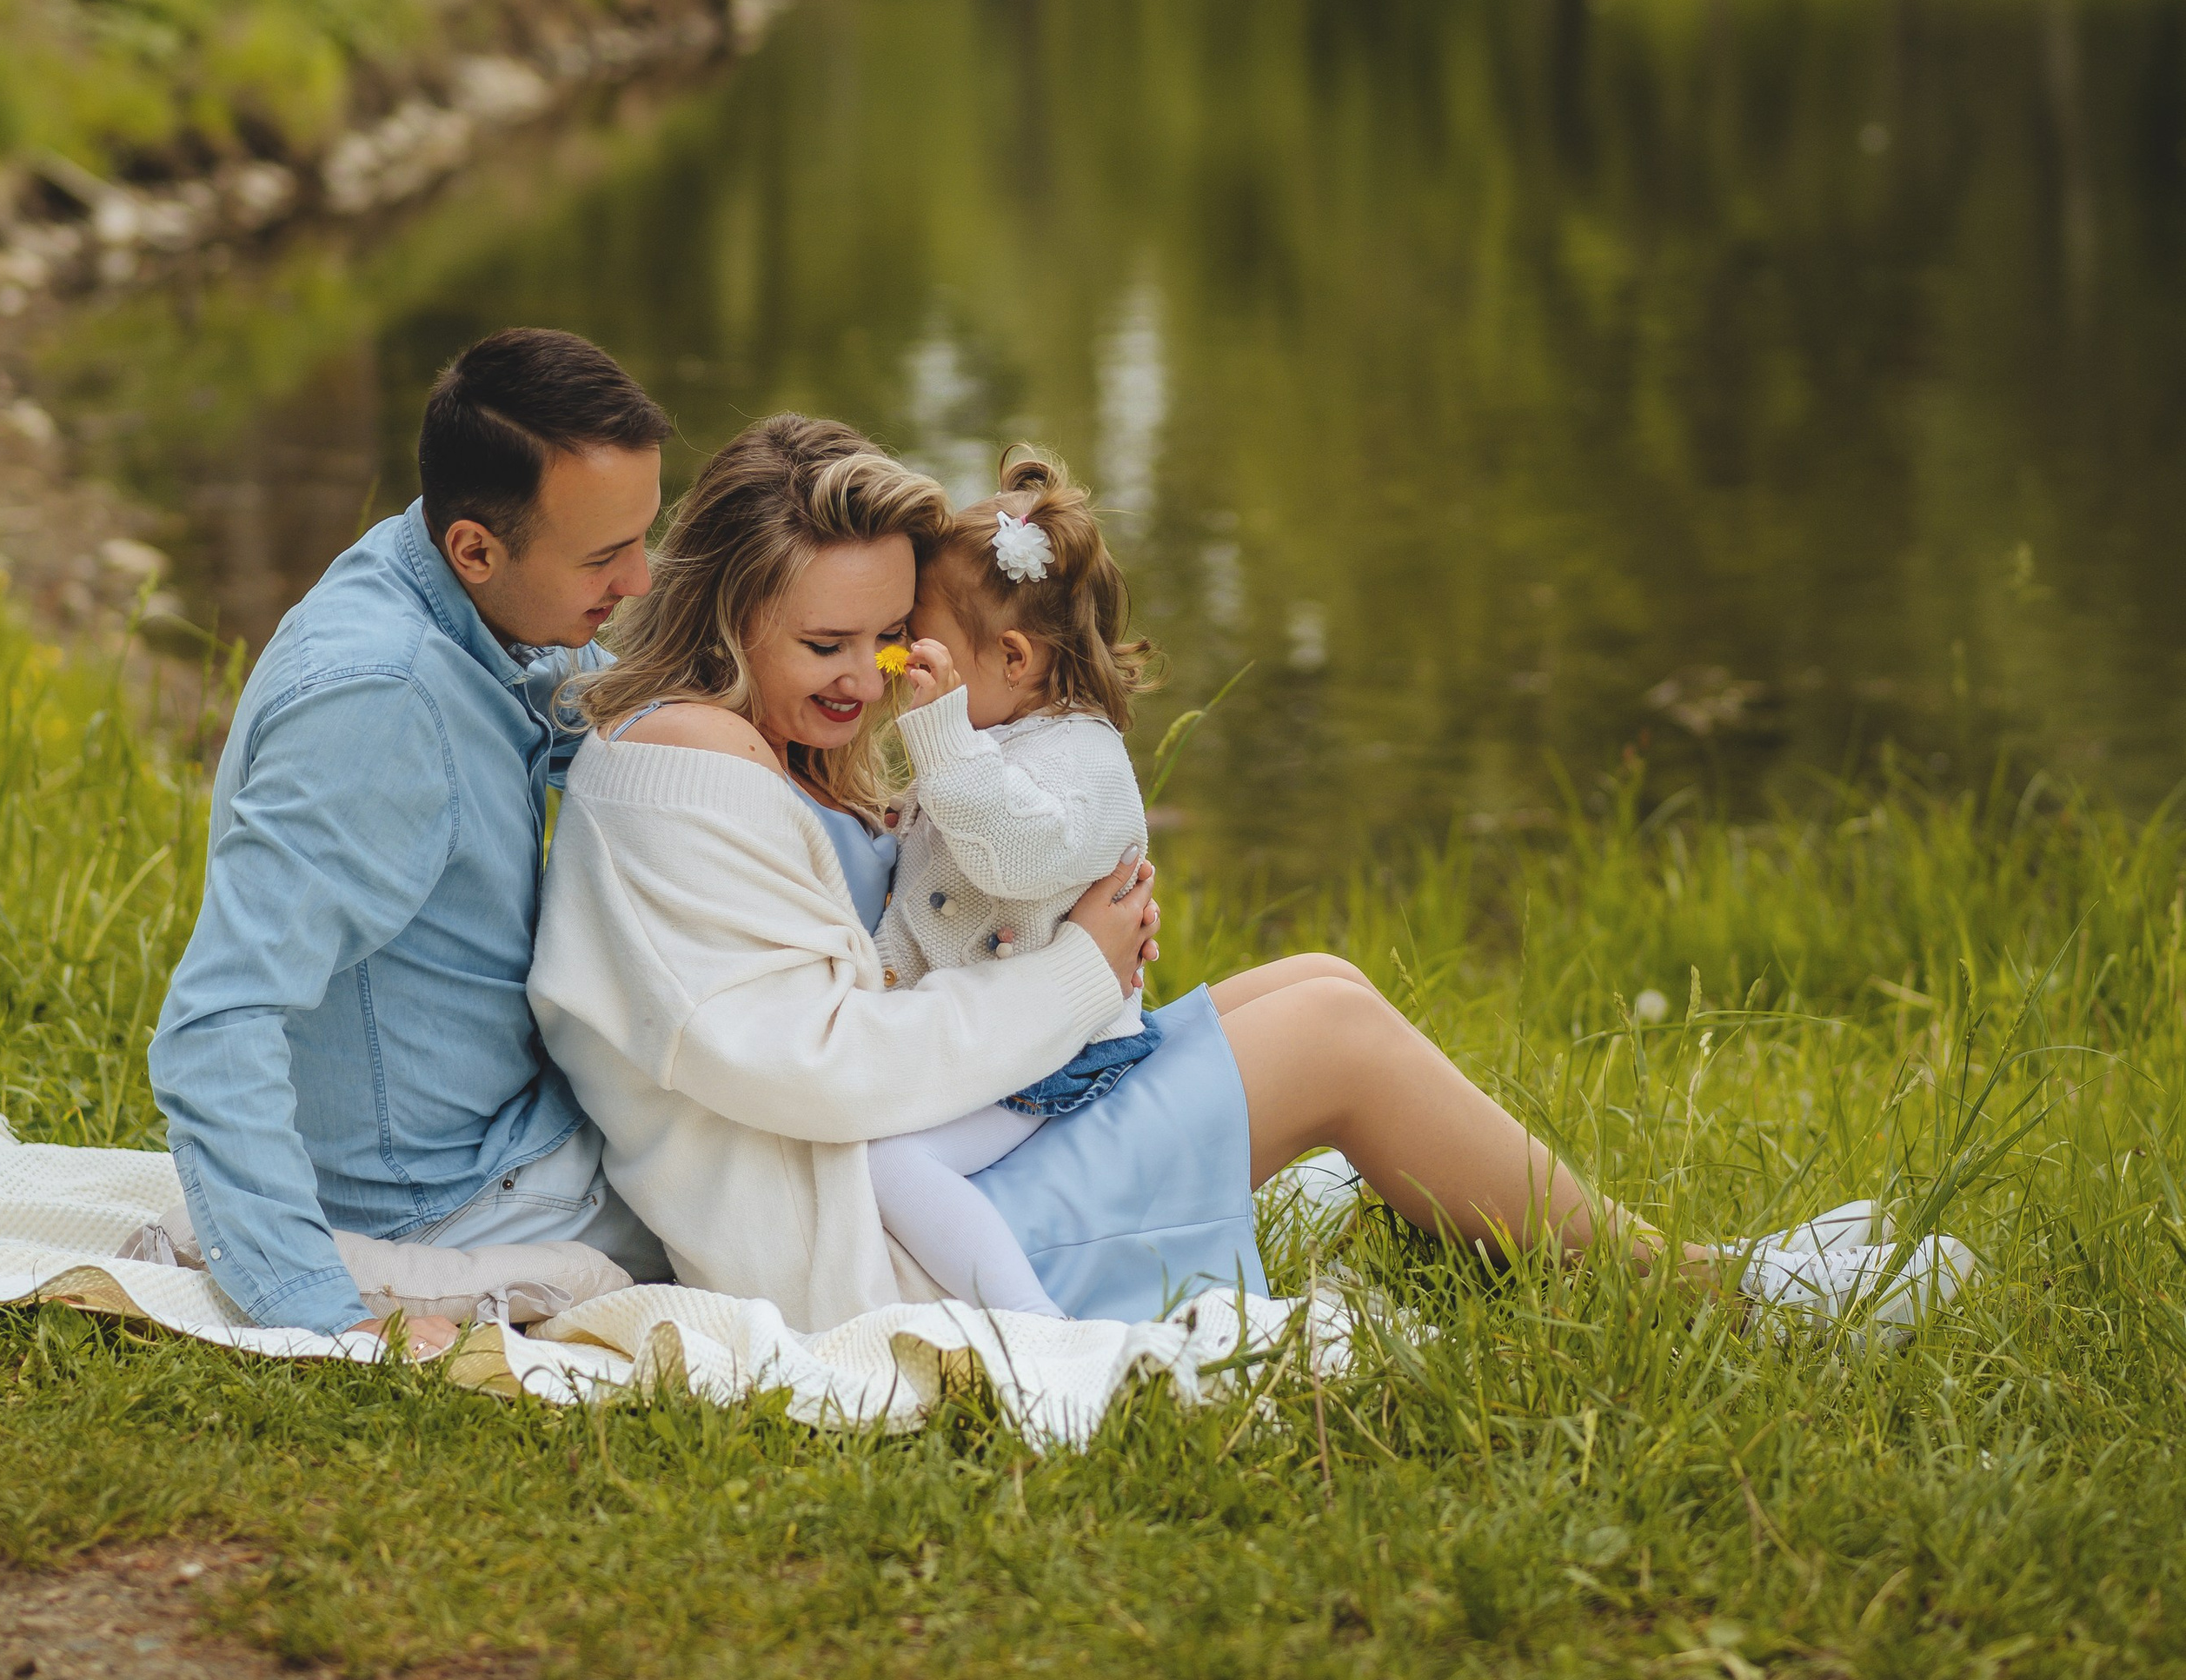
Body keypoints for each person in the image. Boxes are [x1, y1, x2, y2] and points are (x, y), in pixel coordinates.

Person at [530, 412, 1731, 1332]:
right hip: (875, 1247)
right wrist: (1075, 976)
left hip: (925, 1164)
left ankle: (1541, 1243)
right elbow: (814, 1064)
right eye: (824, 645)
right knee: (1330, 1040)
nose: (868, 679)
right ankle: (1670, 1285)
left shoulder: (771, 744)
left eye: (886, 639)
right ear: (726, 614)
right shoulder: (681, 770)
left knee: (1317, 979)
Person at [148, 326, 672, 1355]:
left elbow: (595, 715)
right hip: (450, 1195)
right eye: (607, 558)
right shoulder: (378, 705)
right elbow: (216, 1023)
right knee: (803, 1174)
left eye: (641, 539)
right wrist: (317, 1309)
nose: (641, 581)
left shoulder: (445, 574)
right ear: (476, 546)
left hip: (512, 1119)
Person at [864, 449, 1162, 1321]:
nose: (895, 658)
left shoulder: (1083, 758)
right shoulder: (993, 737)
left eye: (915, 641)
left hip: (1054, 1053)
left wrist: (937, 731)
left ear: (1015, 657)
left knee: (887, 1161)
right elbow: (942, 866)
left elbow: (1013, 858)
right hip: (996, 1036)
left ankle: (1031, 1322)